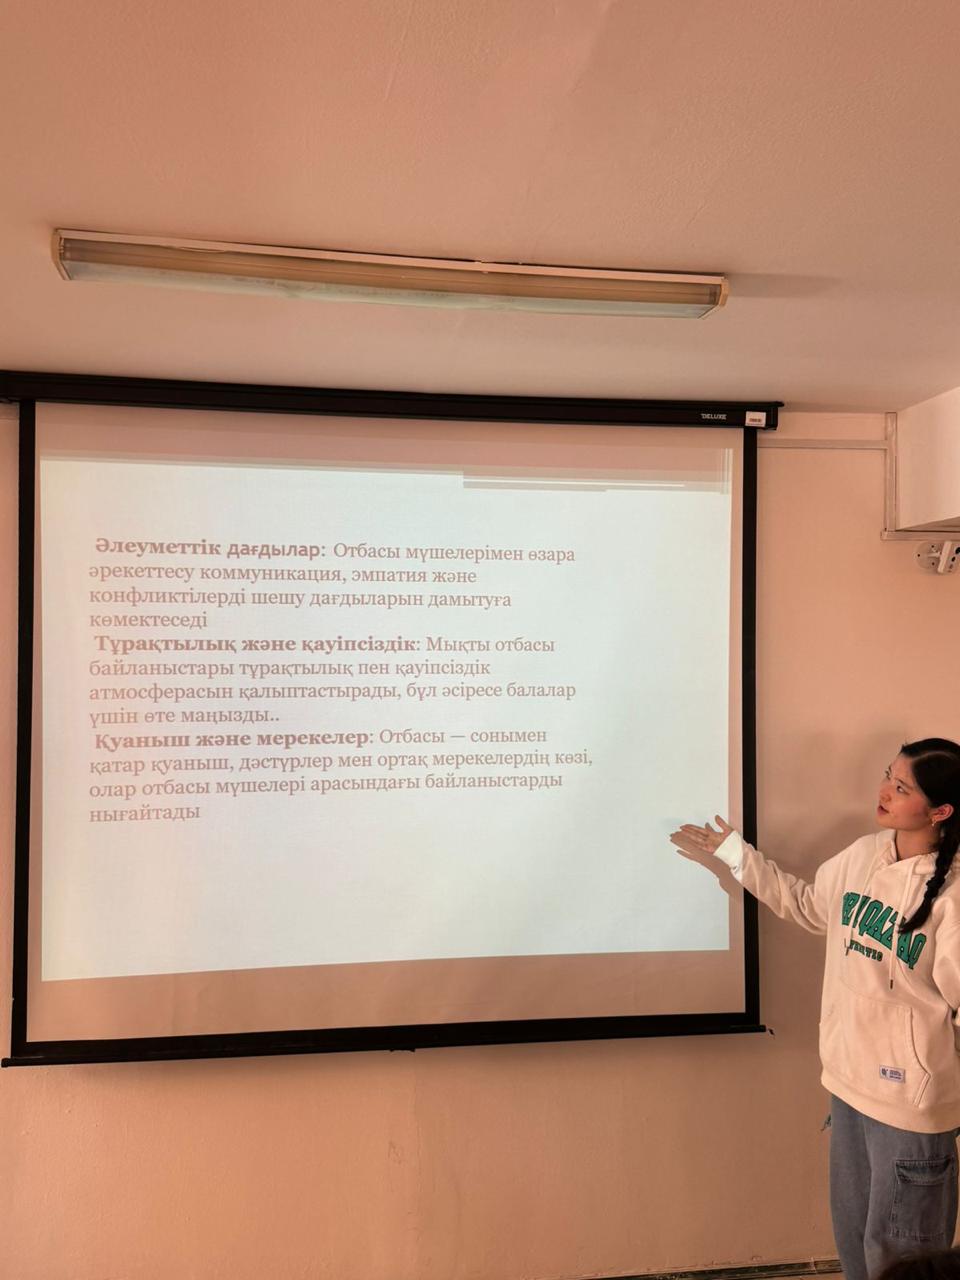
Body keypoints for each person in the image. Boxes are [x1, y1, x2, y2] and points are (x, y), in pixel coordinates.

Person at [671, 739, 960, 1280]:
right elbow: (807, 905)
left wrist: (934, 1073)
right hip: (849, 1086)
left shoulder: (954, 893)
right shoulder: (862, 855)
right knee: (855, 1249)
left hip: (911, 1107)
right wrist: (737, 855)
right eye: (888, 776)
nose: (884, 792)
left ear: (939, 811)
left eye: (902, 788)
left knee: (904, 1261)